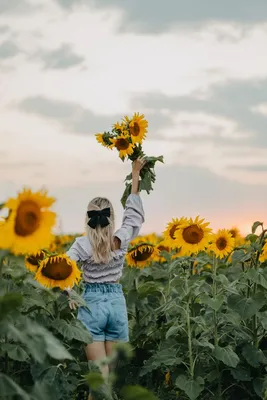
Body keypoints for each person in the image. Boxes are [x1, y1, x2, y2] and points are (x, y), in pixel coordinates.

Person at [66, 157, 146, 397]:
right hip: (116, 304)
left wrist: (70, 292)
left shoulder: (82, 245)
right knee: (108, 383)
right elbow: (133, 216)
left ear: (88, 218)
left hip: (91, 305)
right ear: (111, 218)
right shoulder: (120, 240)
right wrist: (134, 176)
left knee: (97, 382)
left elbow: (61, 268)